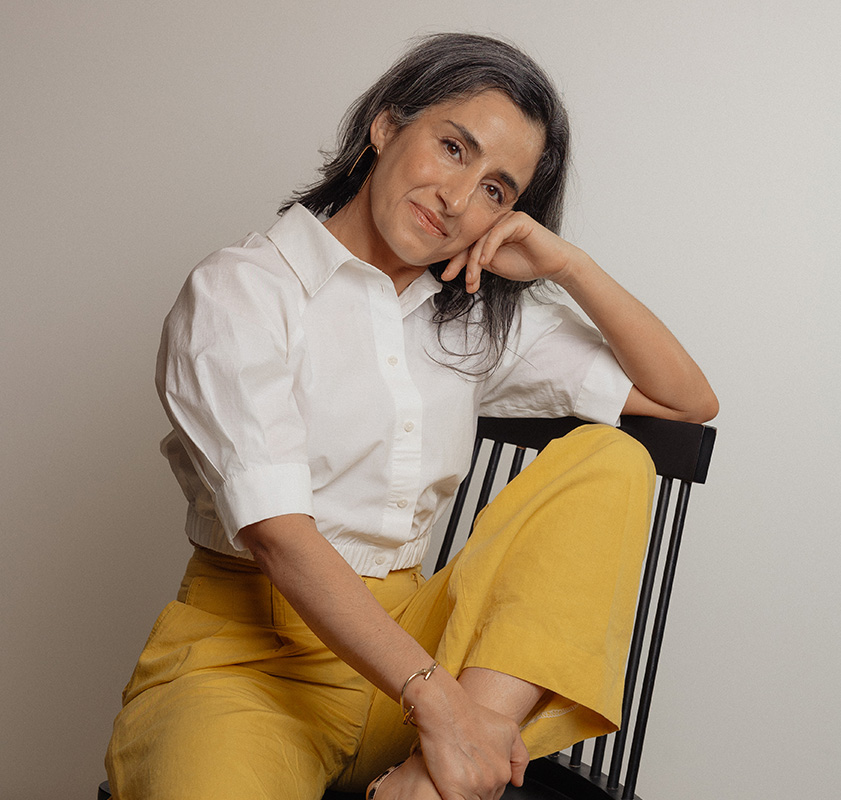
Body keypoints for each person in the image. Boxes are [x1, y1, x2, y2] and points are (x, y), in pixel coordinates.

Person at [105, 32, 717, 800]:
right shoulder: (243, 291)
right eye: (453, 148)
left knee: (613, 458)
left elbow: (685, 402)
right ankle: (455, 745)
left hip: (423, 650)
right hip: (247, 663)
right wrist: (436, 702)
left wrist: (568, 265)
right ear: (386, 125)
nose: (458, 199)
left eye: (496, 190)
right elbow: (277, 535)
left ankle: (434, 778)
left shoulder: (472, 324)